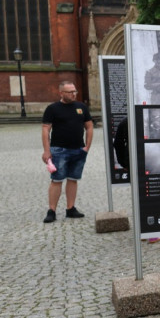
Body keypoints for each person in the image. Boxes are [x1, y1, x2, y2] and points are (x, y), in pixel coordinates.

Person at [41, 81, 93, 223]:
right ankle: (51, 210)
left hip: (78, 150)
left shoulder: (81, 107)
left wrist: (87, 147)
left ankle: (70, 208)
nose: (73, 94)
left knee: (73, 179)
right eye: (70, 92)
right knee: (57, 180)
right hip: (59, 150)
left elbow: (89, 126)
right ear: (61, 93)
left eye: (74, 91)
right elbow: (46, 129)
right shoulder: (53, 108)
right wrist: (47, 150)